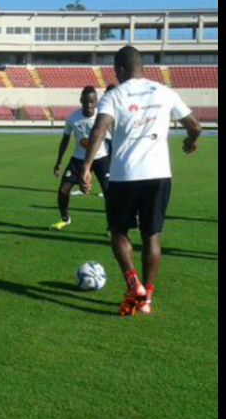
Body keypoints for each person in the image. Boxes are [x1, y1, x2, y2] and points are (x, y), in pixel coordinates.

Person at [81, 46, 202, 316]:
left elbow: (100, 128)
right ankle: (147, 297)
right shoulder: (165, 92)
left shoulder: (115, 95)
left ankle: (132, 283)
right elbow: (195, 126)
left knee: (118, 232)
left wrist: (87, 165)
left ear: (119, 70)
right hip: (159, 175)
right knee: (152, 237)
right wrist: (191, 141)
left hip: (125, 176)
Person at [50, 86, 110, 231]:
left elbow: (111, 140)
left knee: (109, 193)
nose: (88, 105)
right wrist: (59, 161)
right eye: (85, 102)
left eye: (92, 102)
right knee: (63, 190)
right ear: (81, 101)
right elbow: (65, 140)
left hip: (101, 158)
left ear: (96, 102)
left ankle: (112, 226)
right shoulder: (73, 119)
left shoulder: (103, 117)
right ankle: (65, 219)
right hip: (78, 159)